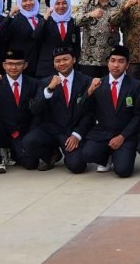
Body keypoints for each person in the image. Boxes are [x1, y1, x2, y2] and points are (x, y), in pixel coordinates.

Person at [23, 45, 97, 173]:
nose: (61, 63)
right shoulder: (46, 82)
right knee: (28, 142)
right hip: (51, 130)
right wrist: (49, 89)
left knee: (77, 166)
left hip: (72, 132)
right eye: (57, 61)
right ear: (53, 64)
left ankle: (70, 154)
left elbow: (90, 113)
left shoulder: (86, 81)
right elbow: (35, 109)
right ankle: (51, 154)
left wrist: (77, 135)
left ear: (74, 60)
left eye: (65, 59)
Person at [79, 45, 140, 177]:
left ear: (127, 65)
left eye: (121, 61)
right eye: (112, 61)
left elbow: (138, 116)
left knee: (123, 171)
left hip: (125, 134)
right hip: (103, 132)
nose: (116, 65)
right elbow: (82, 109)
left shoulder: (135, 85)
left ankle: (118, 156)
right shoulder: (98, 83)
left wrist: (122, 136)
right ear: (107, 63)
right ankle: (106, 157)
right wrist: (89, 91)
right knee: (87, 154)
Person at [0, 49, 39, 173]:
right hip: (4, 131)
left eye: (18, 64)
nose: (13, 67)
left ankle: (13, 152)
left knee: (31, 164)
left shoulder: (34, 84)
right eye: (10, 64)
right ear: (4, 65)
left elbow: (37, 112)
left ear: (25, 65)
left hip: (23, 133)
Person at [73, 0, 121, 78]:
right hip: (89, 59)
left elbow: (125, 25)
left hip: (112, 59)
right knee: (90, 88)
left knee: (110, 88)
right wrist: (90, 15)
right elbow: (75, 21)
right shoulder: (85, 3)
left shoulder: (118, 4)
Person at [33, 0, 80, 77]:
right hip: (48, 67)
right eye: (57, 3)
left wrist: (76, 65)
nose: (61, 6)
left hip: (67, 68)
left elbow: (76, 46)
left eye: (64, 3)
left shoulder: (73, 22)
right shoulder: (46, 21)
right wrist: (45, 17)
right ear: (52, 5)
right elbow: (36, 36)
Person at [6, 0, 42, 67]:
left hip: (40, 62)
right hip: (23, 63)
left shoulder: (41, 18)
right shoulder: (15, 20)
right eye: (24, 0)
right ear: (19, 2)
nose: (28, 3)